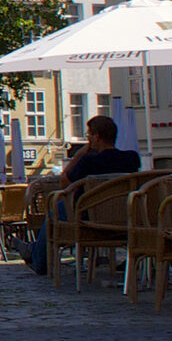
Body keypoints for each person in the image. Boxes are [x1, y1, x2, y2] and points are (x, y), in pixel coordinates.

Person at [23, 115, 142, 274]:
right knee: (58, 208)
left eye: (89, 135)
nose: (89, 139)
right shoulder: (131, 158)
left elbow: (64, 182)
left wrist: (80, 154)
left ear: (97, 137)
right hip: (125, 215)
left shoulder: (88, 161)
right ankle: (33, 250)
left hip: (88, 217)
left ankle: (38, 259)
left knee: (54, 210)